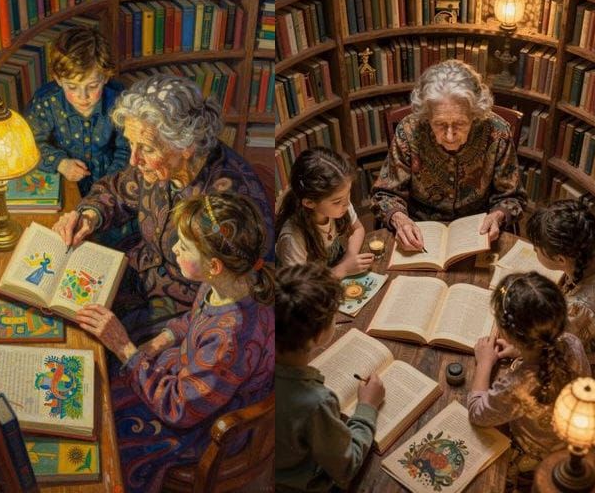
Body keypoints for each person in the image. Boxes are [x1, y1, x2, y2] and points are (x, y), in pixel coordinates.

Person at [73, 192, 278, 493]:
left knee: (108, 439)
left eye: (183, 246)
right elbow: (192, 320)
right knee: (99, 394)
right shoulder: (230, 282)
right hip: (192, 380)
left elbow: (179, 410)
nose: (174, 249)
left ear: (214, 266)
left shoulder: (230, 338)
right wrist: (160, 341)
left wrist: (124, 347)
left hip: (205, 423)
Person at [52, 71, 275, 343]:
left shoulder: (229, 204)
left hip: (185, 312)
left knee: (92, 349)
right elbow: (119, 189)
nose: (134, 160)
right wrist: (89, 216)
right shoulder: (160, 166)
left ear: (186, 146)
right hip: (136, 273)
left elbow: (238, 298)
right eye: (131, 144)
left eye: (145, 148)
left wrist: (166, 338)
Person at [372, 59, 525, 249]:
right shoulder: (410, 130)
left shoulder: (497, 131)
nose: (450, 136)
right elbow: (385, 194)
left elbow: (512, 196)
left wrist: (499, 215)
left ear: (474, 114)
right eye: (440, 124)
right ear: (427, 116)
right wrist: (399, 218)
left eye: (460, 124)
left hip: (478, 231)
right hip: (421, 230)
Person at [268, 262, 382, 491]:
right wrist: (368, 407)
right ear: (318, 336)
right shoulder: (316, 403)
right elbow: (347, 465)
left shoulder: (252, 361)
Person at [468, 274, 589, 488]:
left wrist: (485, 363)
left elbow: (477, 414)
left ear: (507, 333)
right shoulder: (572, 343)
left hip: (535, 454)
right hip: (572, 439)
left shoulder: (519, 385)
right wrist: (519, 350)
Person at [25, 25, 129, 197]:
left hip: (109, 184)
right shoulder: (47, 101)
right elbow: (30, 143)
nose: (83, 96)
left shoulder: (119, 101)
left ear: (105, 77)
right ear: (58, 79)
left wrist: (109, 183)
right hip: (64, 182)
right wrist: (60, 163)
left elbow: (126, 148)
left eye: (92, 86)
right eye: (72, 87)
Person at [526, 198, 595, 383]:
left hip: (590, 363)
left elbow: (560, 347)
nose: (534, 251)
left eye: (537, 249)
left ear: (561, 260)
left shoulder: (580, 308)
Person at [273, 149, 372, 278]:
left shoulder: (340, 205)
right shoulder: (293, 237)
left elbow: (358, 229)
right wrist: (342, 270)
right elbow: (298, 286)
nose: (347, 204)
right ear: (309, 203)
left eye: (348, 194)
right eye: (337, 201)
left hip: (330, 276)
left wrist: (348, 258)